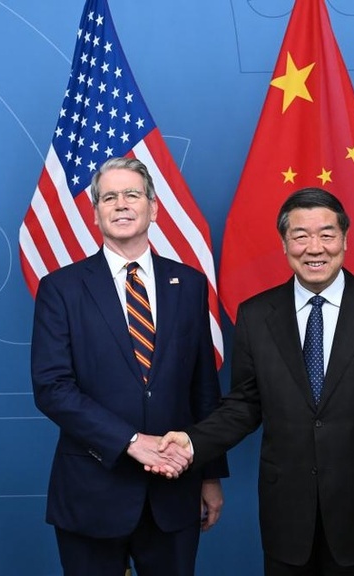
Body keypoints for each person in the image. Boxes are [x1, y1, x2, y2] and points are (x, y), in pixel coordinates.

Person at [154, 188, 354, 575]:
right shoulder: (255, 315)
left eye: (327, 235)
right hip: (287, 514)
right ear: (284, 244)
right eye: (300, 236)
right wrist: (192, 441)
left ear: (345, 240)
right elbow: (244, 406)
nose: (314, 248)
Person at [31, 156, 229, 576]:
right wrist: (131, 441)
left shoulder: (190, 283)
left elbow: (203, 388)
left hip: (174, 492)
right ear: (96, 213)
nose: (121, 204)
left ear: (153, 208)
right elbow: (52, 388)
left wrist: (210, 475)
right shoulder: (61, 289)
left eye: (132, 195)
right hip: (92, 491)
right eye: (109, 198)